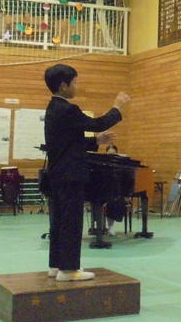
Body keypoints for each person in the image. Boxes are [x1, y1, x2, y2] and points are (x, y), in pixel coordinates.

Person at [44, 63, 129, 282]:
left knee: (59, 222)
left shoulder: (52, 108)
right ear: (63, 86)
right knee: (71, 222)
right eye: (75, 82)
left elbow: (67, 143)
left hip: (57, 174)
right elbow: (97, 123)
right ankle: (69, 270)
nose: (77, 86)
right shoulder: (68, 109)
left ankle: (56, 265)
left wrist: (95, 141)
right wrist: (117, 108)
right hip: (71, 175)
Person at [103, 144, 128, 236]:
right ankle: (102, 227)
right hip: (103, 191)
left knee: (115, 203)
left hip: (116, 192)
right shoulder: (102, 165)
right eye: (109, 154)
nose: (111, 156)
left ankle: (110, 227)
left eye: (113, 154)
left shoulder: (119, 165)